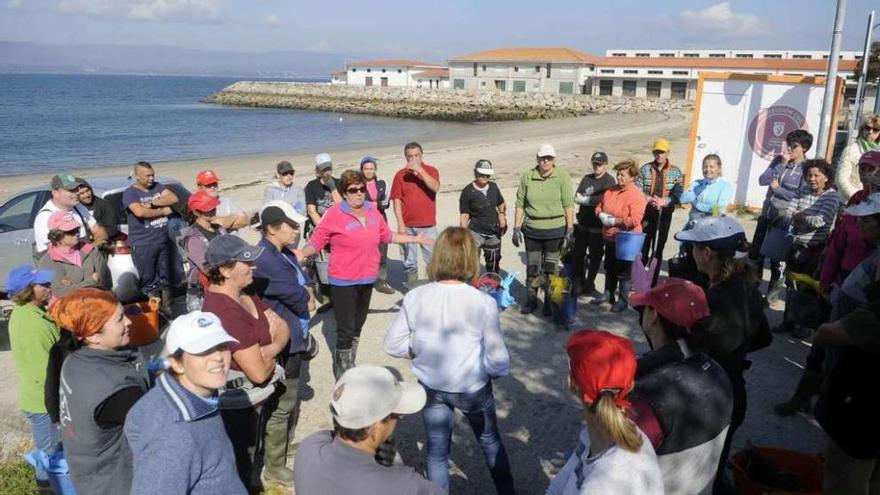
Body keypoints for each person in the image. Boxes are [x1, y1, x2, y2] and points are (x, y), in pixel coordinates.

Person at [384, 226, 515, 494]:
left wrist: (418, 348)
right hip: (472, 386)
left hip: (431, 385)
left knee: (436, 450)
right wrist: (491, 371)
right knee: (489, 441)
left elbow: (392, 344)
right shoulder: (482, 302)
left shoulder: (415, 296)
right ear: (470, 258)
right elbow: (498, 359)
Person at [296, 170, 432, 378]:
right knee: (346, 328)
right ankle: (343, 370)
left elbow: (387, 236)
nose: (359, 193)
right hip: (343, 280)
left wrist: (415, 239)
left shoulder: (372, 211)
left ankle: (350, 360)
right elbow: (317, 240)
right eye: (353, 190)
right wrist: (303, 253)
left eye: (361, 189)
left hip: (368, 277)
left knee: (358, 324)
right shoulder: (334, 214)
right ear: (344, 192)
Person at [673, 215, 771, 492]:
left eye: (693, 248)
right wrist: (736, 345)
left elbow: (690, 351)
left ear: (707, 254)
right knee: (715, 465)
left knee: (700, 477)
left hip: (712, 401)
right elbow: (764, 337)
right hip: (733, 392)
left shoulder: (716, 299)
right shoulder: (747, 289)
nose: (690, 254)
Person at [200, 234, 290, 490]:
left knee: (254, 456)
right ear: (226, 270)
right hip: (241, 407)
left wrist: (268, 349)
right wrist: (274, 346)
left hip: (258, 399)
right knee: (241, 467)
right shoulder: (224, 311)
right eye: (246, 262)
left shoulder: (245, 292)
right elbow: (259, 372)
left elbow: (282, 326)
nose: (254, 267)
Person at [628, 278, 734, 494]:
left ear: (653, 316)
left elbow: (617, 470)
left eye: (645, 308)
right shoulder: (717, 371)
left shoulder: (647, 395)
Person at [124, 312, 247, 495]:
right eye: (203, 350)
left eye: (221, 346)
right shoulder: (175, 434)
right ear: (176, 363)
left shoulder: (189, 396)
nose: (218, 358)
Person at [811, 198, 880, 493]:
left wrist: (825, 332)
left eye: (867, 221)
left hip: (866, 389)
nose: (860, 224)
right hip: (853, 369)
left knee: (848, 473)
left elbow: (859, 325)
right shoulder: (874, 255)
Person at [52, 288, 150, 495]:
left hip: (87, 475)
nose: (129, 322)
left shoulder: (73, 361)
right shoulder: (115, 391)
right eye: (120, 319)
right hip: (117, 483)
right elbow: (161, 428)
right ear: (94, 336)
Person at [293, 365, 442, 495]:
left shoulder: (308, 447)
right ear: (375, 427)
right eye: (396, 415)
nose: (396, 422)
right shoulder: (406, 486)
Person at [546, 330, 664, 495]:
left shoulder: (604, 484)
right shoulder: (602, 434)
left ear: (571, 383)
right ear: (629, 385)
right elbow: (559, 485)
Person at [252, 200, 317, 485]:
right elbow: (301, 296)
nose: (297, 229)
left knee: (286, 401)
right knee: (282, 402)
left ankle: (282, 449)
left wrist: (305, 292)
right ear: (272, 228)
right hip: (281, 340)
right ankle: (274, 465)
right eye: (291, 225)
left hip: (293, 334)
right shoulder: (267, 260)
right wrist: (305, 293)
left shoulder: (284, 253)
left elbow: (307, 286)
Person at [5, 266, 60, 487]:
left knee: (49, 450)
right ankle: (46, 487)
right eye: (43, 285)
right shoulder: (33, 325)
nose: (49, 287)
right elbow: (45, 371)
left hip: (38, 399)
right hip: (43, 404)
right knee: (50, 456)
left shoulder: (28, 313)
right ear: (28, 290)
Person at [773, 159, 841, 336]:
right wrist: (799, 216)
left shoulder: (832, 196)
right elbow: (788, 213)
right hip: (795, 245)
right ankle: (788, 321)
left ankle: (803, 326)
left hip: (815, 248)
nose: (812, 179)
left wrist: (799, 216)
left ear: (826, 177)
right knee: (790, 284)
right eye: (809, 175)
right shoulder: (802, 190)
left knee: (807, 287)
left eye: (816, 175)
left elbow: (821, 221)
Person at [512, 143, 574, 314]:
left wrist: (570, 229)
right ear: (537, 158)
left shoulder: (562, 176)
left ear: (554, 159)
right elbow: (520, 204)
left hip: (555, 230)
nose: (546, 161)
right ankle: (531, 300)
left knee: (551, 268)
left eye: (549, 158)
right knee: (532, 268)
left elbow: (568, 204)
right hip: (532, 230)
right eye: (542, 158)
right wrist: (516, 227)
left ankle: (550, 303)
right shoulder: (527, 177)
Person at [751, 129, 813, 299]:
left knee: (775, 259)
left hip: (783, 217)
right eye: (788, 145)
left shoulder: (806, 168)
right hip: (766, 213)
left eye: (794, 146)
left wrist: (778, 189)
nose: (789, 149)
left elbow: (800, 195)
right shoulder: (779, 160)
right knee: (756, 255)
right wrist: (781, 165)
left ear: (804, 148)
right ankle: (753, 292)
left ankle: (772, 295)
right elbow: (762, 180)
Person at [591, 159, 647, 312]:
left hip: (626, 238)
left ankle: (623, 299)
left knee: (623, 270)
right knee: (609, 266)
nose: (619, 177)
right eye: (618, 174)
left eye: (622, 175)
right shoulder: (610, 191)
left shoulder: (636, 195)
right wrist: (600, 214)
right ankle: (608, 294)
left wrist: (616, 221)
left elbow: (635, 219)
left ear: (632, 177)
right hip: (610, 236)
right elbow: (599, 206)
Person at [123, 161, 179, 307]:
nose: (151, 178)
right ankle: (155, 312)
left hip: (163, 240)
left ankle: (167, 310)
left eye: (152, 174)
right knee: (149, 282)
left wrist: (153, 204)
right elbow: (140, 212)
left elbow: (173, 198)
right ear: (137, 176)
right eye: (147, 176)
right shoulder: (130, 193)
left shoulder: (158, 186)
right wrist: (163, 210)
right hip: (143, 243)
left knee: (166, 279)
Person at [391, 142, 441, 287]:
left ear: (421, 155)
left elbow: (435, 187)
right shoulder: (400, 175)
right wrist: (400, 224)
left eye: (416, 155)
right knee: (409, 261)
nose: (413, 159)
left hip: (428, 225)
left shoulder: (431, 170)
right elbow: (396, 200)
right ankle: (412, 290)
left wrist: (420, 170)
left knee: (433, 260)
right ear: (405, 157)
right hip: (407, 226)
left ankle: (435, 289)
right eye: (410, 156)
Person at [571, 151, 617, 296]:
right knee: (578, 254)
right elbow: (578, 195)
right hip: (583, 223)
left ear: (606, 165)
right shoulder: (587, 178)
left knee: (595, 256)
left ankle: (590, 282)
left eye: (600, 164)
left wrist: (588, 200)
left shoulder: (609, 181)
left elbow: (604, 198)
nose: (597, 166)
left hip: (597, 226)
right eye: (595, 163)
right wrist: (586, 199)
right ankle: (578, 281)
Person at [38, 210, 108, 297]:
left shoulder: (91, 250)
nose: (76, 234)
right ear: (56, 235)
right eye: (71, 231)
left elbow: (105, 281)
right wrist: (91, 281)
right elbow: (61, 292)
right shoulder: (48, 262)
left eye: (77, 230)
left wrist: (74, 286)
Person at [33, 173, 106, 256]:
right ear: (55, 193)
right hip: (63, 267)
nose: (76, 193)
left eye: (76, 189)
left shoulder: (78, 207)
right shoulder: (45, 217)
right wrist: (86, 252)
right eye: (71, 190)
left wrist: (89, 250)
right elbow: (54, 253)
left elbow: (99, 231)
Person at [304, 152, 341, 312]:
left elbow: (342, 206)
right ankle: (327, 299)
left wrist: (332, 187)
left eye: (329, 168)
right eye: (323, 169)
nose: (327, 172)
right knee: (322, 266)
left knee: (339, 263)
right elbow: (312, 211)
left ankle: (340, 296)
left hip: (339, 230)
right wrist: (325, 231)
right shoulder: (311, 186)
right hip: (321, 230)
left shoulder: (338, 183)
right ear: (317, 170)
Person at [635, 138, 684, 261]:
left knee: (659, 246)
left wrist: (665, 201)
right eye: (656, 152)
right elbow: (637, 189)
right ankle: (640, 275)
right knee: (644, 244)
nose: (659, 155)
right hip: (647, 212)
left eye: (662, 152)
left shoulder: (676, 171)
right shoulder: (645, 169)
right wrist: (648, 198)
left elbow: (678, 194)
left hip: (665, 213)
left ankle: (654, 276)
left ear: (667, 153)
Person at [181, 190, 226, 311]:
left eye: (213, 207)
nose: (213, 210)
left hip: (224, 284)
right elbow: (207, 268)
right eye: (208, 208)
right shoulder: (193, 238)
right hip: (203, 294)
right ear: (196, 212)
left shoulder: (220, 229)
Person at [459, 159, 507, 274]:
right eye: (481, 173)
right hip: (476, 231)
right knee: (472, 263)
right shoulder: (467, 191)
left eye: (487, 174)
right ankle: (474, 287)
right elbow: (464, 214)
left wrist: (502, 214)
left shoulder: (494, 187)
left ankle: (493, 285)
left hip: (493, 232)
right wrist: (462, 232)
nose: (484, 176)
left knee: (493, 262)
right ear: (475, 172)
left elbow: (501, 203)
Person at [361, 155, 395, 294]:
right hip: (364, 223)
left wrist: (382, 204)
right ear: (362, 170)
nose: (369, 171)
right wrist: (373, 205)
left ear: (375, 170)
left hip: (381, 221)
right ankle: (364, 282)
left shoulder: (381, 184)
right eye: (366, 169)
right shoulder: (357, 185)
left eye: (371, 168)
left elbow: (384, 203)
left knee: (382, 252)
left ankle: (382, 281)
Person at [678, 154, 733, 226]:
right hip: (694, 223)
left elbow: (720, 207)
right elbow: (683, 200)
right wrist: (696, 191)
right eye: (705, 167)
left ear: (719, 169)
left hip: (712, 223)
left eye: (711, 167)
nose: (707, 169)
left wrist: (698, 205)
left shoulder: (725, 186)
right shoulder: (697, 183)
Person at [836, 113, 880, 200]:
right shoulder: (851, 150)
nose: (870, 131)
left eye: (875, 129)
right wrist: (858, 198)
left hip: (874, 203)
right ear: (862, 129)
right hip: (851, 201)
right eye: (867, 128)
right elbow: (841, 179)